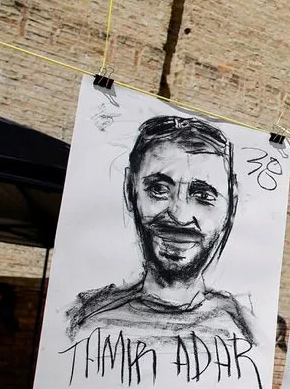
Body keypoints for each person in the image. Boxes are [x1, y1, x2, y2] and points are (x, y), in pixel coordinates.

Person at [66, 115, 254, 342]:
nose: (179, 216)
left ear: (231, 206)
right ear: (129, 190)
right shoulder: (82, 320)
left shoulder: (245, 329)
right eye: (158, 189)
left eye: (203, 195)